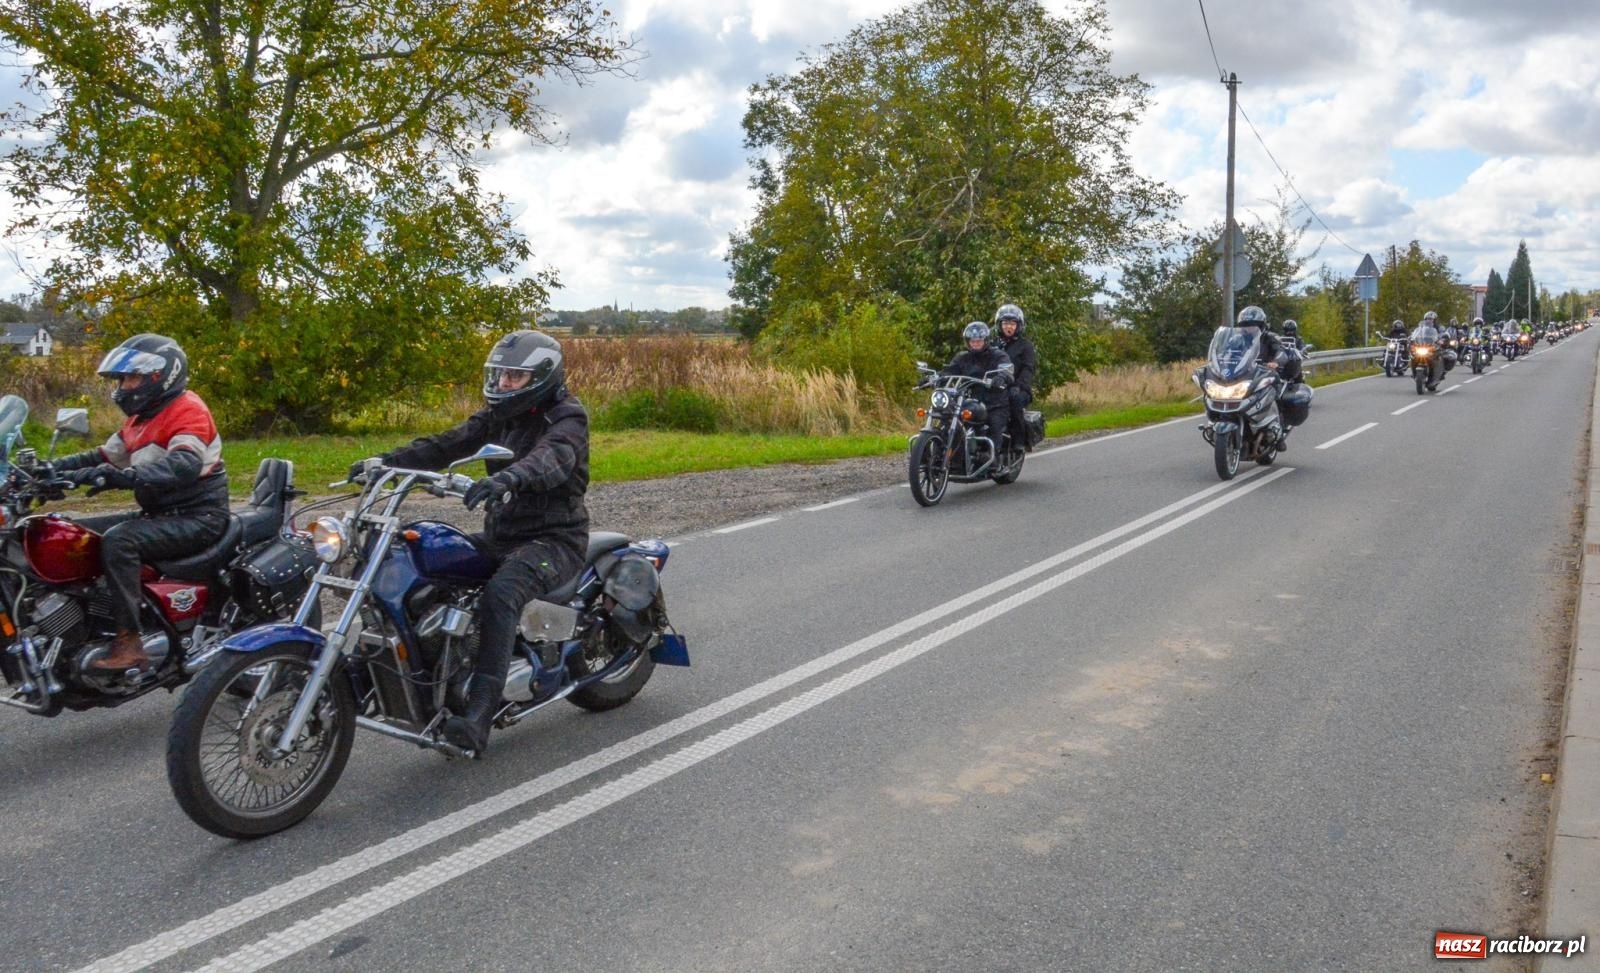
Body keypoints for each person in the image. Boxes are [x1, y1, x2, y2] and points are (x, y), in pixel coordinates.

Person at [354, 330, 589, 756]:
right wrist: (386, 463)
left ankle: (478, 716)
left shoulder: (567, 417)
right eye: (498, 376)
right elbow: (448, 443)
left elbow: (551, 458)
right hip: (502, 536)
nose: (502, 385)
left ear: (542, 376)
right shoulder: (498, 417)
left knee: (501, 594)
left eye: (513, 377)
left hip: (554, 539)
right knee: (422, 566)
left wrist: (508, 477)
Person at [54, 334, 229, 673]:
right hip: (160, 512)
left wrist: (122, 476)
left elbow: (184, 464)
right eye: (121, 379)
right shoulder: (141, 417)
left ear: (159, 376)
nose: (124, 386)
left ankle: (129, 642)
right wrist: (50, 470)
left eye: (130, 377)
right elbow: (104, 455)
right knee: (72, 533)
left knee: (120, 539)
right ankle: (87, 629)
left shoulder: (188, 409)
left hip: (199, 516)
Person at [942, 321, 1013, 455]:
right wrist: (936, 378)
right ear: (967, 342)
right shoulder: (962, 357)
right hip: (968, 401)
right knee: (949, 421)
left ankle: (993, 457)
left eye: (978, 341)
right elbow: (949, 371)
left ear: (985, 341)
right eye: (972, 341)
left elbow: (1006, 369)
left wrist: (1001, 377)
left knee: (995, 427)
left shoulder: (998, 355)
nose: (975, 344)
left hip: (995, 403)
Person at [993, 303, 1036, 451]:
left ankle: (1019, 440)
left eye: (1012, 323)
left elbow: (1028, 369)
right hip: (995, 387)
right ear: (999, 325)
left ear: (1019, 325)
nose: (1008, 327)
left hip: (1018, 388)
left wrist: (1018, 385)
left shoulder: (1026, 346)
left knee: (1015, 401)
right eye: (1005, 323)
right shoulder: (993, 345)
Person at [1410, 314, 1446, 391]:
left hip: (1433, 346)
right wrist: (1412, 338)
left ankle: (1438, 374)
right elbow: (1416, 334)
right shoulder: (1421, 328)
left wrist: (1442, 339)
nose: (1429, 320)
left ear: (1435, 320)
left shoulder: (1438, 328)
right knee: (1413, 355)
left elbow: (1443, 335)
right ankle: (1414, 373)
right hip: (1423, 345)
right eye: (1428, 319)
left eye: (1431, 319)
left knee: (1438, 356)